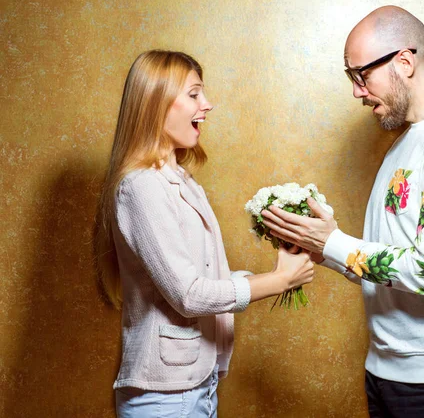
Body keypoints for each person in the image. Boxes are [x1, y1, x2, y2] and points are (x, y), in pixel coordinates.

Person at [261, 6, 424, 418]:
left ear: (404, 62)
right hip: (389, 371)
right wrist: (323, 250)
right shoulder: (407, 140)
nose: (357, 91)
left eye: (361, 75)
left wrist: (335, 243)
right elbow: (394, 261)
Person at [94, 50, 314, 418]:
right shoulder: (142, 187)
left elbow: (203, 279)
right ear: (155, 103)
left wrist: (279, 271)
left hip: (196, 386)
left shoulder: (181, 180)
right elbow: (190, 295)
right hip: (166, 398)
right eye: (194, 94)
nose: (207, 105)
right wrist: (277, 281)